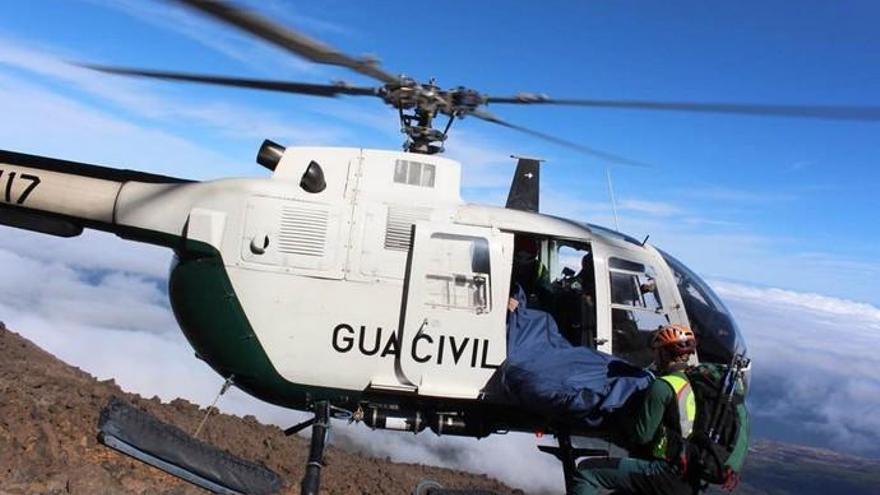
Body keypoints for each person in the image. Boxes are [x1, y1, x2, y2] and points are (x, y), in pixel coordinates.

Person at [570, 324, 698, 495]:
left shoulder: (661, 386)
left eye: (657, 351)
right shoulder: (689, 384)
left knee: (586, 472)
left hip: (661, 472)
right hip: (686, 477)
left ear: (665, 353)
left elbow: (641, 436)